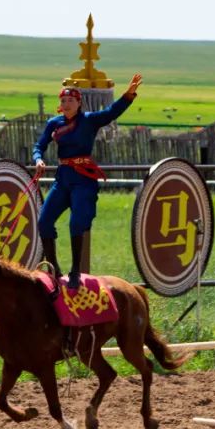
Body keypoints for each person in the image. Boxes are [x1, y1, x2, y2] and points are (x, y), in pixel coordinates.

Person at [34, 73, 142, 290]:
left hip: (83, 179)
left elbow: (112, 112)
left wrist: (128, 95)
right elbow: (39, 146)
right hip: (63, 178)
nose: (66, 104)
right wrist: (38, 159)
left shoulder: (89, 120)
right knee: (44, 222)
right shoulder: (54, 123)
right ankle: (54, 268)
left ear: (79, 103)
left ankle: (75, 271)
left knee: (76, 223)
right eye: (63, 100)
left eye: (70, 100)